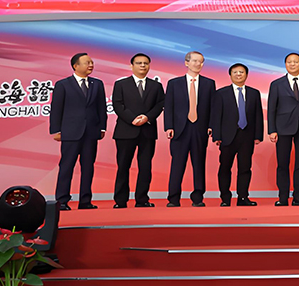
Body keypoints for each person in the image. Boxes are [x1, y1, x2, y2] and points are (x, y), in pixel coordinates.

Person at [49, 52, 108, 210]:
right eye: (87, 62)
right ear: (75, 66)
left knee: (88, 167)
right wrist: (56, 130)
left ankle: (85, 201)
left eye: (91, 62)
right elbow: (56, 109)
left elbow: (102, 107)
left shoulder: (97, 84)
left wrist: (102, 127)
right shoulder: (63, 84)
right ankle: (62, 201)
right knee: (66, 166)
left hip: (91, 132)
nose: (91, 65)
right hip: (70, 132)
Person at [111, 53, 164, 208]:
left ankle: (142, 199)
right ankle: (120, 200)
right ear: (131, 65)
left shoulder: (156, 86)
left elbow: (160, 104)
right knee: (123, 166)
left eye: (145, 63)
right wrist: (132, 119)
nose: (142, 66)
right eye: (139, 63)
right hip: (125, 131)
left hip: (147, 131)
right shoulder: (121, 84)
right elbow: (118, 105)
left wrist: (147, 117)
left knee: (145, 167)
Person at [266, 52, 299, 206]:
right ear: (285, 64)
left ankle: (298, 197)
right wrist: (272, 130)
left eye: (295, 62)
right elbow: (271, 108)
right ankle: (283, 197)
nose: (292, 64)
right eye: (289, 62)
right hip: (282, 127)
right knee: (282, 163)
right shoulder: (276, 84)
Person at [164, 51, 216, 207]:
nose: (198, 64)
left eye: (201, 61)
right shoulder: (174, 83)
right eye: (194, 61)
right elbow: (169, 106)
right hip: (180, 129)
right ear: (186, 63)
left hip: (200, 129)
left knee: (199, 164)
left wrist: (211, 125)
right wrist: (169, 126)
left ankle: (198, 197)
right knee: (177, 164)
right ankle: (173, 198)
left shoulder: (209, 83)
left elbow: (213, 107)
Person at [210, 63, 263, 207]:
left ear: (246, 75)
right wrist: (217, 136)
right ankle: (225, 198)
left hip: (247, 136)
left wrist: (258, 135)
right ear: (230, 75)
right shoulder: (221, 93)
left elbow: (258, 115)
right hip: (227, 137)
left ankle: (243, 198)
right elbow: (216, 116)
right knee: (225, 167)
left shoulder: (254, 93)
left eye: (241, 72)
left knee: (245, 168)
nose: (238, 74)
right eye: (235, 72)